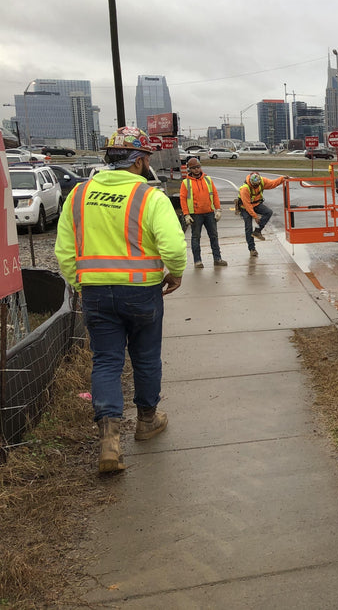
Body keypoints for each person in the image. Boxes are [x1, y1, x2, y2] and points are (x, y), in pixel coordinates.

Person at [55, 127, 186, 474]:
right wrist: (176, 273)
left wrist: (79, 283)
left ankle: (110, 442)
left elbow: (64, 250)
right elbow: (172, 246)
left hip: (96, 293)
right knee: (145, 358)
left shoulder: (79, 195)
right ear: (140, 161)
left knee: (107, 362)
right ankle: (146, 421)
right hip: (142, 292)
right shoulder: (149, 197)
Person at [180, 159, 226, 268]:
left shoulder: (208, 180)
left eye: (198, 167)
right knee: (196, 237)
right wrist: (186, 214)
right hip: (195, 214)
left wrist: (218, 209)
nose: (196, 169)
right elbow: (183, 199)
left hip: (209, 213)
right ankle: (197, 261)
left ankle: (217, 259)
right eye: (194, 168)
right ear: (190, 169)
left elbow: (214, 194)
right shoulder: (186, 183)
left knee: (214, 236)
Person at [237, 171, 287, 257]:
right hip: (245, 207)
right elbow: (248, 205)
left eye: (258, 185)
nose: (256, 187)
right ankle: (252, 249)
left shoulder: (261, 181)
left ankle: (258, 231)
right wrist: (255, 217)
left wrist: (282, 179)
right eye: (255, 186)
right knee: (248, 227)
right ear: (251, 183)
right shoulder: (245, 188)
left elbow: (272, 183)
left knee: (268, 212)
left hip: (256, 204)